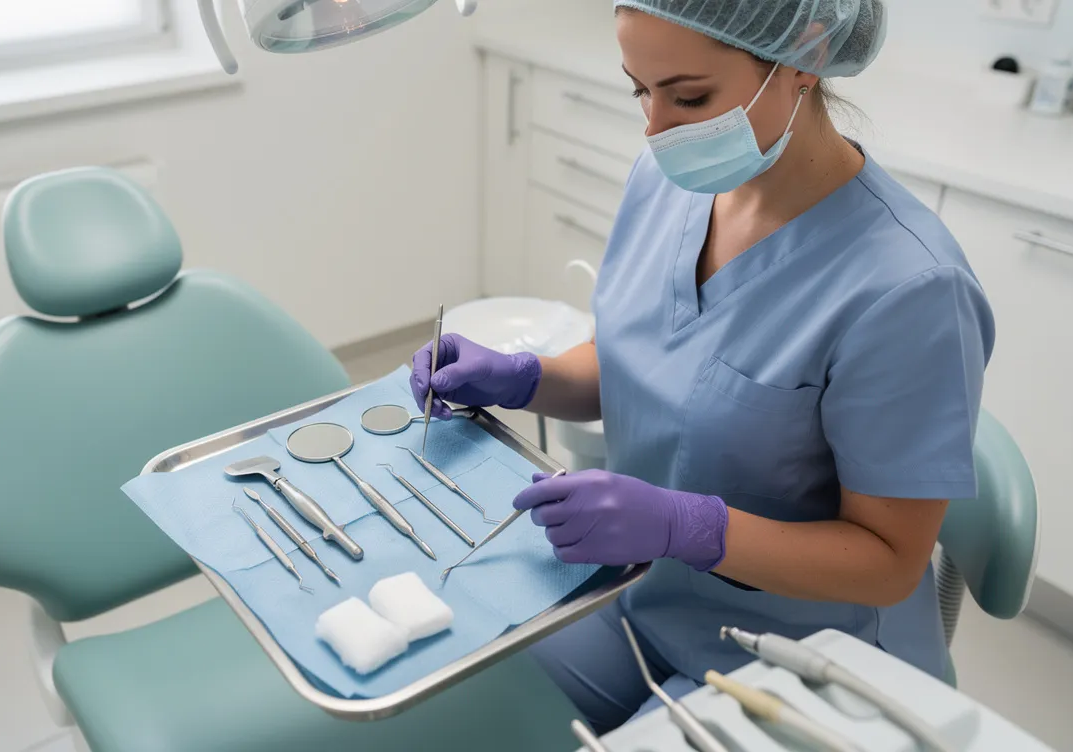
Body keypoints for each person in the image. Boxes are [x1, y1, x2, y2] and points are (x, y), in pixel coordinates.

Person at [410, 0, 995, 733]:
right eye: (640, 91)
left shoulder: (910, 288)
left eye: (690, 97)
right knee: (461, 694)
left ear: (804, 57)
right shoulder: (666, 183)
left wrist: (688, 526)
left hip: (816, 661)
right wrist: (530, 378)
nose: (656, 129)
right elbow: (651, 366)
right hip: (651, 597)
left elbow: (888, 561)